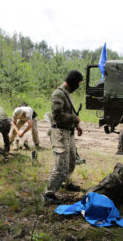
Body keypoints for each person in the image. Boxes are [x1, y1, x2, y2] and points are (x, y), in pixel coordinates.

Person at [42, 70, 84, 204]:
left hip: (69, 132)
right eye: (78, 83)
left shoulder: (67, 94)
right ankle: (48, 193)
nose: (78, 86)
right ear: (73, 81)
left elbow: (70, 112)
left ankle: (67, 182)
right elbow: (57, 116)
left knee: (72, 161)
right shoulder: (58, 93)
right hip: (59, 133)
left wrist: (76, 124)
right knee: (61, 165)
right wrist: (74, 118)